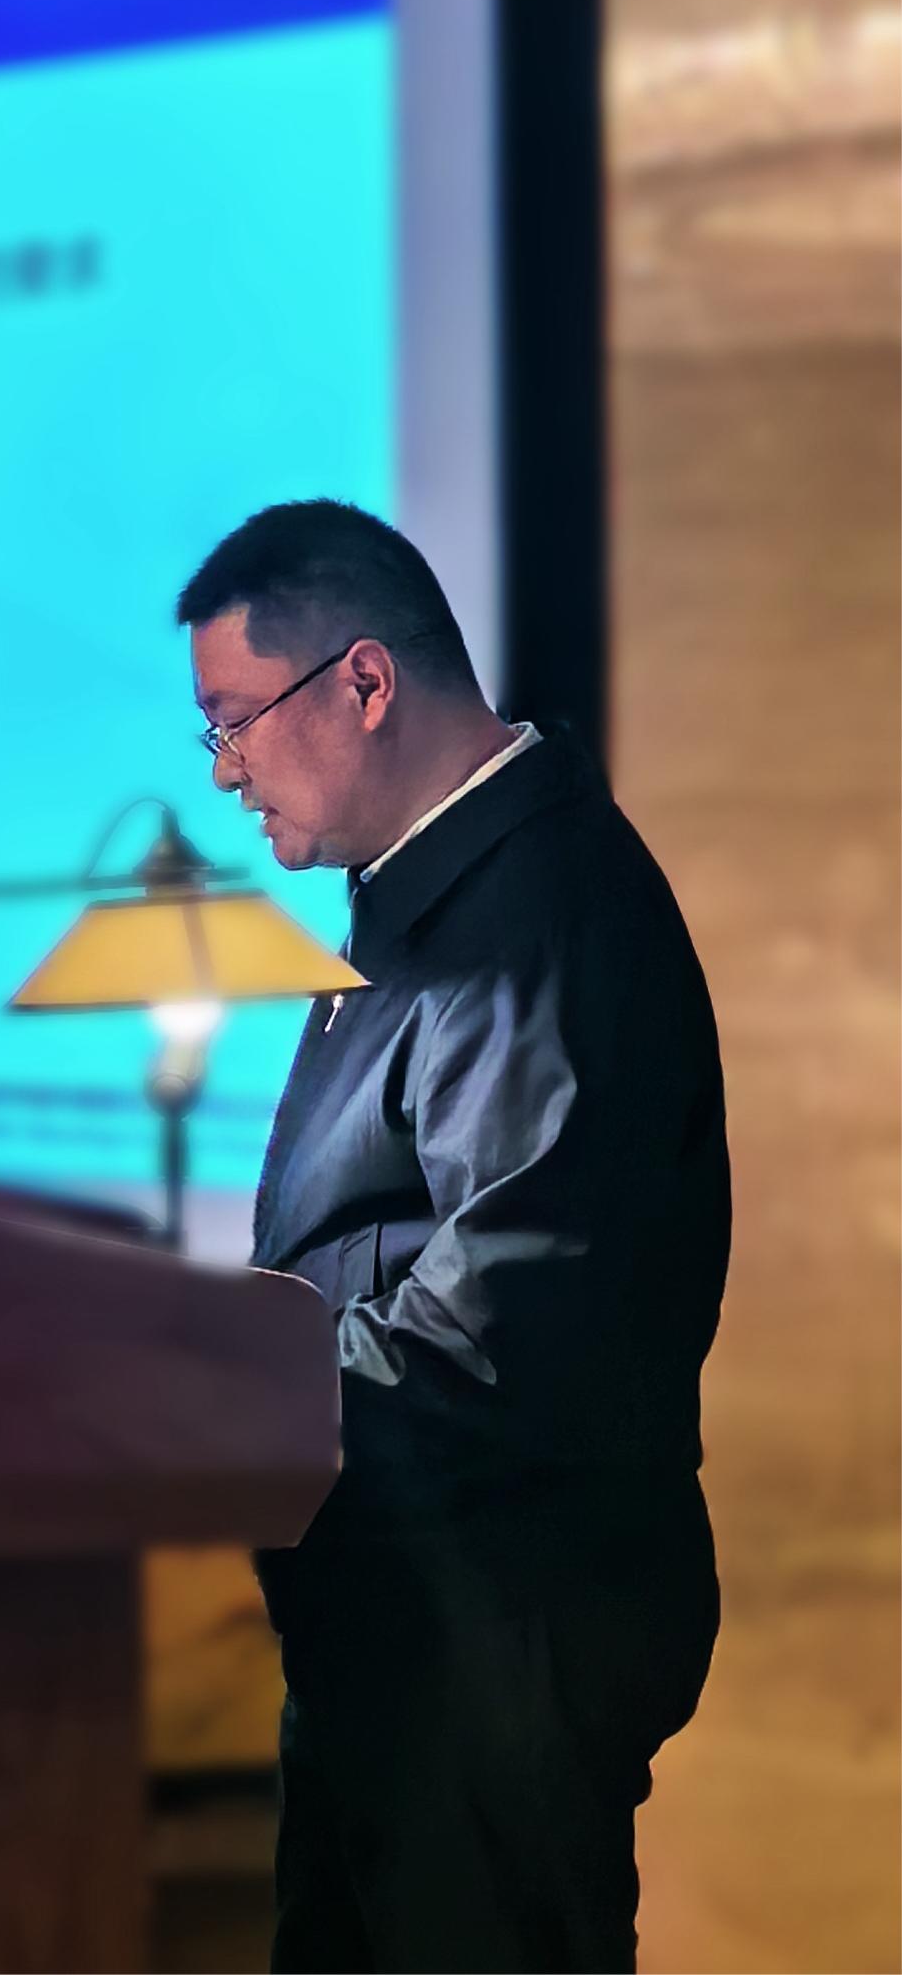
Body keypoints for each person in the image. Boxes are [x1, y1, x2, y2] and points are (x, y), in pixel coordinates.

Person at [176, 499, 728, 1974]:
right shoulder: (425, 893)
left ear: (362, 681)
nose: (221, 770)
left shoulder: (538, 914)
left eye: (233, 720)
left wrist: (213, 1381)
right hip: (401, 1611)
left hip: (495, 1633)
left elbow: (506, 1326)